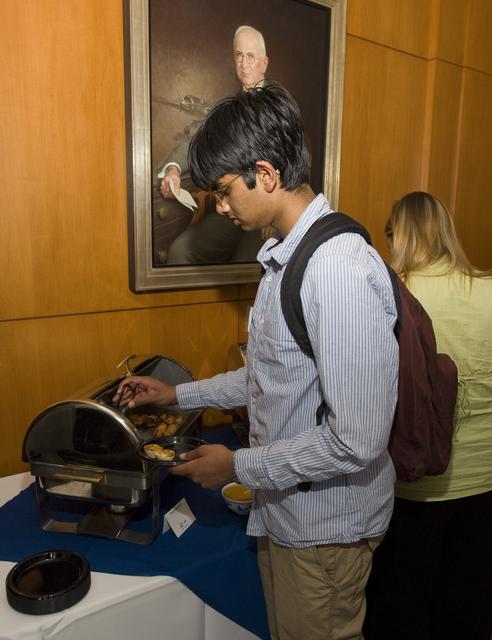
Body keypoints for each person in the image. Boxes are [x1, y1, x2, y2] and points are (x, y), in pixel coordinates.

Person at [114, 84, 399, 640]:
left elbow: (357, 439)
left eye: (224, 192)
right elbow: (270, 375)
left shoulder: (335, 269)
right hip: (289, 515)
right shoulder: (287, 256)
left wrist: (239, 466)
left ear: (265, 174)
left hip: (326, 531)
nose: (220, 207)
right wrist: (176, 394)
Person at [363, 191, 492, 640]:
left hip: (410, 483)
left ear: (398, 236)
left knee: (399, 610)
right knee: (466, 609)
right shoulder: (488, 291)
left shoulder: (391, 297)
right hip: (484, 483)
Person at [157, 25, 269, 264]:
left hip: (266, 216)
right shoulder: (228, 104)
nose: (244, 63)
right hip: (230, 210)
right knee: (179, 251)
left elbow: (293, 164)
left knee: (247, 266)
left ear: (264, 63)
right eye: (239, 55)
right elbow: (198, 141)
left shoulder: (279, 104)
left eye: (251, 56)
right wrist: (173, 169)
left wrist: (276, 216)